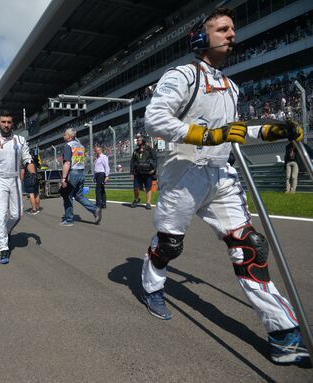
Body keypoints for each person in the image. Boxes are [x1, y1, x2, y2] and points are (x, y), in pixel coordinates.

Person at [140, 7, 308, 364]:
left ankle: (284, 335)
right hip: (183, 172)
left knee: (249, 247)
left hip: (220, 173)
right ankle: (152, 285)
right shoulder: (182, 75)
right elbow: (154, 119)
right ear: (201, 39)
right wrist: (207, 134)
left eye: (232, 29)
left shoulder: (231, 86)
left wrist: (267, 130)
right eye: (222, 29)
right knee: (170, 244)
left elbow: (231, 132)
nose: (232, 34)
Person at [0, 110, 36, 264]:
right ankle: (3, 248)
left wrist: (32, 174)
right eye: (3, 122)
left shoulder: (20, 140)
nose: (6, 125)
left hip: (15, 179)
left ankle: (5, 230)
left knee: (17, 214)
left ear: (12, 124)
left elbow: (27, 159)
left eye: (9, 122)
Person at [59, 128, 101, 227]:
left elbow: (67, 162)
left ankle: (69, 220)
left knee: (67, 196)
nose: (63, 136)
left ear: (69, 136)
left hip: (73, 173)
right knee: (79, 195)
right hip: (81, 172)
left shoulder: (68, 146)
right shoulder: (80, 145)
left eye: (64, 134)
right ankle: (94, 209)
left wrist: (64, 178)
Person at [130, 136, 157, 210]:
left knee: (148, 188)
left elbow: (155, 160)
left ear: (143, 141)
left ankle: (148, 203)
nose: (137, 141)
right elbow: (132, 162)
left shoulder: (150, 150)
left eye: (138, 140)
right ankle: (136, 199)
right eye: (137, 140)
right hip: (137, 173)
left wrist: (154, 170)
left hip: (148, 172)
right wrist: (132, 173)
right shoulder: (135, 151)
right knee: (136, 188)